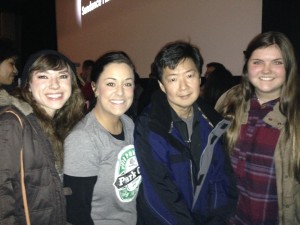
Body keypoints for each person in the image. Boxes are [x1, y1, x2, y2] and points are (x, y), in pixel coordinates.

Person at [134, 41, 237, 225]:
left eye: (189, 76)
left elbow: (221, 180)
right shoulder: (151, 126)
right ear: (162, 85)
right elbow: (159, 193)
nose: (183, 87)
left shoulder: (213, 123)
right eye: (173, 79)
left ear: (199, 79)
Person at [215, 31, 300, 224]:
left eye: (277, 62)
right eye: (257, 62)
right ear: (247, 66)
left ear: (289, 67)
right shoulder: (228, 102)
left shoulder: (296, 115)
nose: (266, 70)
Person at [0, 49, 85, 224]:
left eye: (62, 76)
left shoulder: (66, 125)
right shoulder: (13, 123)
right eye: (43, 77)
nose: (55, 85)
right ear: (28, 84)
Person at [63, 51, 142, 225]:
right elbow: (76, 214)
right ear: (94, 88)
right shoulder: (83, 139)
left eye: (127, 84)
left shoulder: (128, 123)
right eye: (111, 83)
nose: (120, 92)